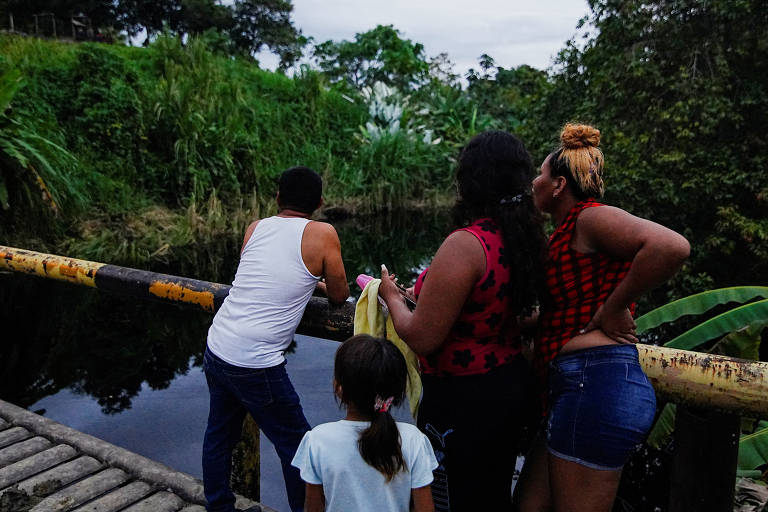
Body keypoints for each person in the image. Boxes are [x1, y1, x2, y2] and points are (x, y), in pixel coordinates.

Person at [513, 123, 690, 512]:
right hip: (575, 387)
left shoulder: (588, 218)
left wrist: (613, 308)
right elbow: (570, 306)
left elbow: (671, 247)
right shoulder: (564, 232)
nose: (533, 183)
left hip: (594, 383)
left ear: (558, 184)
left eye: (540, 175)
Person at [378, 131, 548, 511]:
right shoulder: (523, 237)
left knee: (449, 498)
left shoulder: (467, 244)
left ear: (471, 181)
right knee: (489, 494)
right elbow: (512, 310)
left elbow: (423, 337)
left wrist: (392, 298)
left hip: (463, 399)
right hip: (507, 387)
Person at [202, 166, 349, 512]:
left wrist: (310, 278)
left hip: (218, 344)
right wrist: (319, 280)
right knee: (300, 447)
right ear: (320, 203)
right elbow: (340, 296)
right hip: (256, 362)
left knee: (219, 434)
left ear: (278, 198)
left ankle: (218, 506)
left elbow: (265, 273)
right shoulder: (323, 233)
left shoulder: (256, 227)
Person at [291, 334, 438, 512]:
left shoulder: (317, 440)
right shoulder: (414, 440)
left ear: (339, 388)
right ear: (397, 392)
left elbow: (313, 508)